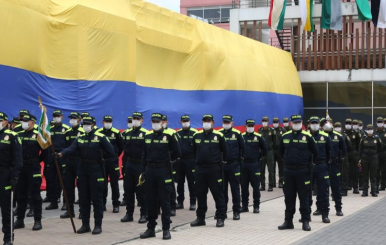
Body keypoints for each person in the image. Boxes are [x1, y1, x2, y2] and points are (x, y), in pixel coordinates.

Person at [58, 116, 116, 235]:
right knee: (83, 198)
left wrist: (103, 161)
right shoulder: (80, 138)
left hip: (96, 170)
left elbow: (111, 152)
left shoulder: (101, 137)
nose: (86, 126)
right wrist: (61, 154)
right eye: (84, 124)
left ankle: (98, 225)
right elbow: (72, 148)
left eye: (88, 124)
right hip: (83, 169)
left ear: (93, 125)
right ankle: (85, 225)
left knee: (96, 199)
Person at [139, 113, 181, 240]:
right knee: (150, 201)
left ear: (163, 123)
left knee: (165, 201)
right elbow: (144, 156)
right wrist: (143, 172)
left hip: (163, 171)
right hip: (150, 171)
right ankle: (151, 228)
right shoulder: (147, 136)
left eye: (157, 121)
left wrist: (170, 166)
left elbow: (178, 153)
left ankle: (166, 229)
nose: (155, 123)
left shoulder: (169, 136)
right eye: (153, 121)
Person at [278, 115, 318, 232]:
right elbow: (280, 152)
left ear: (302, 123)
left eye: (299, 122)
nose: (297, 124)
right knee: (289, 198)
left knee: (304, 197)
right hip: (289, 171)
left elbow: (315, 152)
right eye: (295, 122)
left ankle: (305, 221)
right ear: (291, 123)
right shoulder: (285, 136)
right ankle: (288, 221)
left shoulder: (308, 136)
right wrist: (287, 161)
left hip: (303, 171)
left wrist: (310, 165)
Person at [190, 114, 227, 228]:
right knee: (200, 194)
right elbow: (193, 152)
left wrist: (221, 167)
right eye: (204, 121)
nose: (206, 123)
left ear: (213, 123)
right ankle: (200, 218)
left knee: (218, 194)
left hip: (214, 169)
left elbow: (225, 152)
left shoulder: (219, 135)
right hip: (200, 169)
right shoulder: (196, 135)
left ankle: (220, 217)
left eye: (208, 121)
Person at [14, 114, 48, 231]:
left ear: (32, 122)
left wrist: (37, 160)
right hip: (21, 167)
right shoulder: (18, 134)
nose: (23, 123)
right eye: (22, 121)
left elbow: (45, 151)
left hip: (33, 167)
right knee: (21, 195)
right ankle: (20, 220)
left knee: (35, 195)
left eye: (26, 121)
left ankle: (37, 220)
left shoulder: (38, 135)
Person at [120, 112, 148, 224]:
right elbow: (124, 152)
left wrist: (145, 168)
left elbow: (147, 152)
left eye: (137, 119)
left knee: (141, 191)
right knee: (128, 190)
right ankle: (129, 214)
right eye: (133, 119)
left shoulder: (145, 133)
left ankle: (144, 214)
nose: (135, 120)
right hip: (129, 164)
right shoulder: (126, 133)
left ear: (142, 121)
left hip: (140, 164)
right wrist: (124, 166)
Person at [0, 112, 22, 245]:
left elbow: (18, 157)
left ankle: (8, 237)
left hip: (5, 174)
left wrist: (15, 175)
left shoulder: (13, 136)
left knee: (6, 208)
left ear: (5, 122)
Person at [218, 115, 244, 220]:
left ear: (232, 123)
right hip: (222, 166)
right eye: (224, 122)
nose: (226, 124)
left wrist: (240, 162)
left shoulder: (237, 134)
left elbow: (243, 148)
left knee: (235, 190)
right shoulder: (219, 133)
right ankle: (222, 211)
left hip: (234, 165)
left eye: (228, 122)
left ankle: (236, 211)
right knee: (222, 190)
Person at [320, 118, 347, 216]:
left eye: (327, 123)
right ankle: (320, 208)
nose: (326, 125)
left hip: (335, 165)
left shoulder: (338, 136)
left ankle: (338, 208)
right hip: (324, 165)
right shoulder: (320, 136)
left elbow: (344, 151)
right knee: (322, 188)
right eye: (323, 124)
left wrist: (340, 161)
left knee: (336, 188)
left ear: (331, 124)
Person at [60, 112, 84, 219]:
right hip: (69, 161)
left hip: (79, 161)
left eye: (74, 118)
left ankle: (82, 211)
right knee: (68, 187)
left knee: (82, 187)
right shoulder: (67, 132)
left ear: (79, 120)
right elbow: (65, 147)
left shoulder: (83, 131)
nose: (72, 120)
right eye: (71, 118)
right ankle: (70, 211)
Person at [96, 115, 123, 213]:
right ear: (102, 122)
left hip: (112, 161)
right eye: (106, 121)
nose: (108, 123)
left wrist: (114, 156)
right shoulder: (98, 133)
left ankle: (116, 204)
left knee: (114, 184)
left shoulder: (116, 133)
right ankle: (102, 204)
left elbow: (121, 147)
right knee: (102, 184)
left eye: (109, 121)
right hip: (102, 161)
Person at [44, 110, 70, 210]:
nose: (56, 117)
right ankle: (54, 202)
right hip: (51, 157)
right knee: (52, 180)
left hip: (62, 157)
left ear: (62, 117)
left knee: (64, 181)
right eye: (54, 116)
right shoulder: (49, 129)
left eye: (58, 116)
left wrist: (64, 154)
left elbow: (69, 145)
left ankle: (65, 202)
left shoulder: (66, 129)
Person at [308, 116, 332, 223]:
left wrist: (325, 164)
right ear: (309, 124)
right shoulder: (305, 136)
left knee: (323, 191)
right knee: (306, 192)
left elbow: (329, 153)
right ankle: (306, 215)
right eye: (312, 123)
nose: (314, 125)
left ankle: (325, 214)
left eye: (316, 123)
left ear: (319, 124)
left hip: (321, 166)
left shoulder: (325, 136)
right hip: (308, 167)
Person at [241, 119, 267, 213]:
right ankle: (244, 206)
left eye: (252, 126)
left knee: (256, 186)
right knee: (244, 187)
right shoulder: (241, 137)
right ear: (245, 126)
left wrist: (259, 158)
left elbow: (265, 149)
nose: (250, 127)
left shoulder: (258, 137)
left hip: (254, 164)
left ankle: (256, 206)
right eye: (249, 126)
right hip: (244, 165)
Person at [176, 115, 197, 211]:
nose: (185, 122)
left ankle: (193, 202)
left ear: (190, 121)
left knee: (191, 183)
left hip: (191, 160)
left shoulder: (194, 133)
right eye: (183, 121)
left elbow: (198, 148)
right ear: (180, 122)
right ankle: (180, 202)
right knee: (180, 182)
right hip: (180, 161)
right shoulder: (177, 134)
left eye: (187, 121)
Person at [161, 114, 179, 216]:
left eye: (164, 121)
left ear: (166, 122)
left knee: (170, 186)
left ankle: (173, 206)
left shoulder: (172, 133)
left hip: (170, 163)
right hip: (158, 165)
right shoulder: (153, 133)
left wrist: (173, 162)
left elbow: (177, 149)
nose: (162, 123)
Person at [358, 124, 382, 197]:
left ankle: (374, 191)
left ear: (373, 130)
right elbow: (360, 149)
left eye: (371, 129)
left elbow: (380, 148)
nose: (370, 130)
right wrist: (359, 159)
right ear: (366, 130)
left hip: (374, 158)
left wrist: (375, 155)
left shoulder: (377, 138)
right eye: (368, 129)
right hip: (365, 158)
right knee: (365, 175)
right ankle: (365, 192)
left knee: (373, 175)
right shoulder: (363, 138)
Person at [258, 116, 276, 191]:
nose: (264, 122)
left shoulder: (272, 130)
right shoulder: (260, 130)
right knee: (261, 169)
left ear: (268, 122)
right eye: (263, 121)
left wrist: (271, 149)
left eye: (265, 121)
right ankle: (262, 185)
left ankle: (270, 185)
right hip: (262, 152)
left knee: (270, 169)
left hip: (269, 151)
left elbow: (274, 142)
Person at [344, 118, 361, 195]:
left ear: (351, 124)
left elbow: (358, 144)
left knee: (354, 171)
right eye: (346, 123)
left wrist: (357, 154)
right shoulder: (343, 133)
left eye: (349, 123)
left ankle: (355, 187)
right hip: (345, 153)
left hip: (353, 153)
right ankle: (347, 186)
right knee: (346, 171)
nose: (348, 124)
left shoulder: (356, 133)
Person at [120, 116, 133, 207]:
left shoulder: (143, 133)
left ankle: (140, 199)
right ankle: (126, 198)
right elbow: (120, 146)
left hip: (138, 160)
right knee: (127, 181)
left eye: (132, 121)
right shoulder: (124, 133)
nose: (131, 123)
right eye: (129, 121)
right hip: (127, 159)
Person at [272, 117, 286, 188]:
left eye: (276, 122)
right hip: (272, 150)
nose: (275, 123)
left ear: (279, 123)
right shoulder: (271, 130)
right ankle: (273, 182)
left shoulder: (282, 130)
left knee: (281, 167)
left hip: (280, 151)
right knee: (272, 167)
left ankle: (281, 181)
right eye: (274, 122)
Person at [375, 117, 386, 191]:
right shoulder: (374, 132)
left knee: (384, 170)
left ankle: (383, 185)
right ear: (376, 123)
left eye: (381, 122)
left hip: (384, 152)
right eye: (378, 122)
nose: (380, 123)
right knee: (376, 170)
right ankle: (376, 185)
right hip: (376, 153)